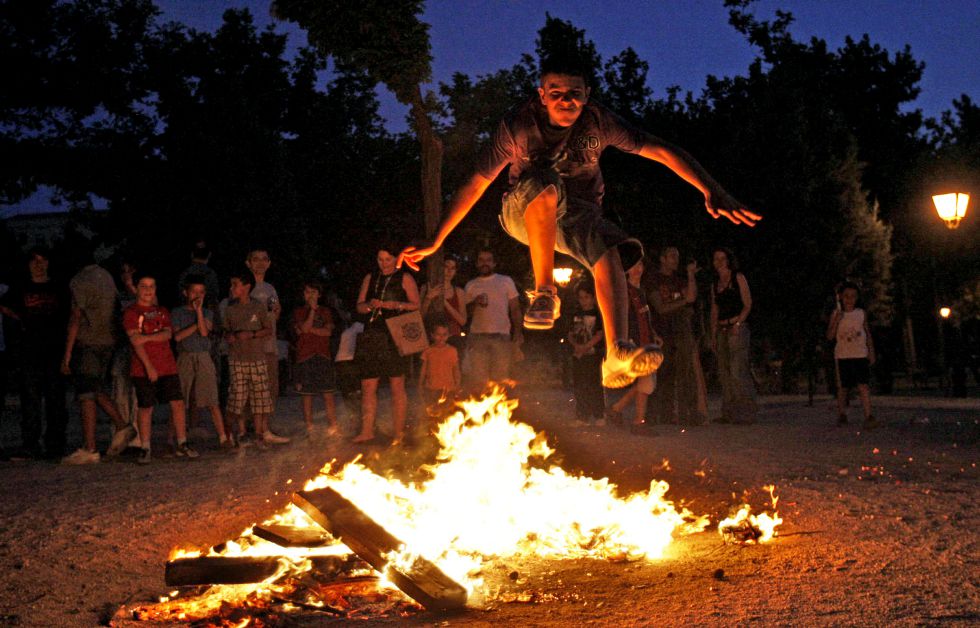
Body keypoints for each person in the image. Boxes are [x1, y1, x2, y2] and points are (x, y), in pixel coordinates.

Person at [398, 54, 760, 390]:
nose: (566, 102)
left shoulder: (600, 122)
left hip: (578, 215)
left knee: (610, 251)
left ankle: (617, 352)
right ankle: (543, 293)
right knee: (546, 185)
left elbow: (661, 150)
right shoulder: (518, 125)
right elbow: (475, 184)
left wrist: (709, 189)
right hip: (523, 212)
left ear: (587, 94)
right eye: (556, 94)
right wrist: (437, 239)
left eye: (574, 94)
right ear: (542, 94)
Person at [60, 251, 133, 464]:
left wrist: (67, 354)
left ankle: (91, 446)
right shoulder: (106, 276)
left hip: (88, 342)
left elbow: (76, 316)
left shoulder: (79, 281)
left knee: (86, 393)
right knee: (95, 387)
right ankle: (122, 426)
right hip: (108, 341)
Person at [0, 247, 69, 459]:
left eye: (43, 260)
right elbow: (4, 306)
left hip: (54, 351)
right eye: (34, 261)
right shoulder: (21, 288)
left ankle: (55, 444)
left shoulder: (58, 286)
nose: (39, 265)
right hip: (29, 352)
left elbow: (70, 314)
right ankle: (31, 444)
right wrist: (20, 321)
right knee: (30, 400)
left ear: (48, 263)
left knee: (55, 400)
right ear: (29, 264)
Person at [123, 272, 198, 463]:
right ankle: (145, 447)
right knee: (146, 406)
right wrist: (148, 366)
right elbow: (135, 341)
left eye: (151, 286)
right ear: (137, 289)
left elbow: (166, 334)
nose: (148, 290)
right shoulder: (132, 312)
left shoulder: (162, 311)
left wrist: (146, 337)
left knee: (177, 403)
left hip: (167, 365)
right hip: (143, 367)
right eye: (144, 286)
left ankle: (182, 443)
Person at [352, 246, 420, 445]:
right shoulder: (370, 278)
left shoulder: (405, 277)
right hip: (373, 334)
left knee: (396, 383)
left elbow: (416, 304)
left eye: (388, 259)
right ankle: (367, 431)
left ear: (396, 259)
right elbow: (359, 306)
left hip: (395, 335)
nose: (384, 263)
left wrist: (395, 305)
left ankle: (398, 433)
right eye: (380, 259)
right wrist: (369, 306)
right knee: (368, 384)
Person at [223, 270, 289, 446]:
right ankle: (238, 432)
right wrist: (230, 336)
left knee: (260, 397)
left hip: (258, 355)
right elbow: (225, 330)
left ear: (246, 287)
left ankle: (260, 433)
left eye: (235, 284)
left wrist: (251, 333)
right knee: (238, 397)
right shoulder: (229, 307)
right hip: (237, 358)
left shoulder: (262, 300)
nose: (232, 288)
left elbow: (270, 325)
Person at [649, 247, 708, 425]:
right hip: (662, 330)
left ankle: (687, 413)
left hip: (680, 329)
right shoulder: (654, 279)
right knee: (663, 372)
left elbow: (692, 296)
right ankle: (662, 413)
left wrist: (690, 275)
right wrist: (683, 302)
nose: (676, 259)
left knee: (685, 371)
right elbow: (660, 307)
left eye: (677, 256)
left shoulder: (679, 280)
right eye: (672, 256)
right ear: (663, 259)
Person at [172, 275, 230, 447]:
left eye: (201, 292)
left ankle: (223, 438)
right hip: (185, 356)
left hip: (204, 356)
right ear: (186, 293)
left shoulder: (207, 313)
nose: (197, 295)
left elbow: (205, 333)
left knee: (212, 399)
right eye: (194, 292)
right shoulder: (177, 312)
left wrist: (198, 312)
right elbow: (178, 336)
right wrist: (196, 325)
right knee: (179, 400)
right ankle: (173, 439)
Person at [605, 259, 662, 434]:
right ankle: (638, 422)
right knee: (645, 382)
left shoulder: (640, 291)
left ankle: (616, 409)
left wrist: (654, 335)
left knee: (645, 383)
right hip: (635, 344)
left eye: (640, 265)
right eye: (633, 265)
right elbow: (623, 318)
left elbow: (644, 318)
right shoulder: (625, 292)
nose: (637, 269)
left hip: (646, 342)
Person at [462, 249, 523, 391]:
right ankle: (480, 410)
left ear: (494, 263)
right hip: (477, 336)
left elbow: (515, 309)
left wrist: (517, 333)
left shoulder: (505, 281)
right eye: (481, 260)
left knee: (500, 379)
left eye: (488, 260)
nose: (485, 263)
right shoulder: (471, 285)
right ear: (477, 263)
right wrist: (474, 302)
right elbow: (465, 314)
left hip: (501, 336)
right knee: (478, 379)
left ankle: (499, 409)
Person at [710, 247, 757, 424]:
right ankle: (729, 412)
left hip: (737, 327)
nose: (719, 262)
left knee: (738, 371)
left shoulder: (738, 278)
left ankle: (746, 412)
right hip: (722, 328)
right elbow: (714, 310)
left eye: (722, 258)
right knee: (724, 372)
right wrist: (713, 333)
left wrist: (738, 323)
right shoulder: (715, 284)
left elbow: (748, 303)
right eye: (716, 259)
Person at [292, 280, 340, 440]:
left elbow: (327, 332)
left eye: (313, 292)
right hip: (305, 356)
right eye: (307, 292)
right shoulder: (299, 311)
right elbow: (303, 328)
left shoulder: (326, 311)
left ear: (319, 294)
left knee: (328, 393)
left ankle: (333, 426)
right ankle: (310, 427)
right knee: (307, 394)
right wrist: (312, 312)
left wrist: (309, 330)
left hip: (323, 355)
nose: (310, 295)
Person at [827, 281, 877, 428]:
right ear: (841, 297)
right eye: (846, 296)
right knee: (843, 387)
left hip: (860, 354)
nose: (849, 299)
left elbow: (867, 333)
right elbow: (830, 335)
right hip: (843, 355)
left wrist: (871, 351)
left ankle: (868, 415)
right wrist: (836, 320)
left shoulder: (860, 314)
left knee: (863, 385)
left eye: (853, 296)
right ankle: (842, 413)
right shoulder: (836, 314)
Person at [245, 249, 283, 403]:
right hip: (250, 345)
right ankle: (248, 423)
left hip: (269, 345)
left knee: (270, 385)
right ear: (248, 263)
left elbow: (275, 314)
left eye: (264, 259)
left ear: (268, 263)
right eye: (256, 259)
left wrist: (276, 311)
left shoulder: (270, 289)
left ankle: (265, 424)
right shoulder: (243, 287)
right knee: (249, 386)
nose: (260, 262)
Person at [568, 280, 604, 426]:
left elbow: (600, 334)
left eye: (587, 297)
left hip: (593, 354)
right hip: (578, 355)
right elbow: (570, 333)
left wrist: (586, 346)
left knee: (594, 384)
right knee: (579, 385)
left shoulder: (598, 313)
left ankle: (599, 414)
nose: (584, 301)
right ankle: (582, 415)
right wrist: (576, 345)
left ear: (593, 297)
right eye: (581, 297)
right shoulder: (575, 313)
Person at [419, 254, 467, 352]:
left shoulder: (459, 292)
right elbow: (419, 317)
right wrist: (428, 298)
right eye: (446, 267)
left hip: (453, 338)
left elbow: (462, 321)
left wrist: (444, 301)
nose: (449, 271)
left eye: (452, 268)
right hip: (432, 337)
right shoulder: (426, 288)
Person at [418, 321, 461, 427]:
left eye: (444, 335)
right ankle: (431, 436)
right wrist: (420, 384)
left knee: (446, 414)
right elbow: (423, 369)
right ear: (432, 335)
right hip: (431, 388)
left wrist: (457, 384)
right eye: (438, 335)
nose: (441, 338)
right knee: (432, 413)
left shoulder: (452, 351)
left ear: (448, 335)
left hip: (448, 389)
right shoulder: (428, 351)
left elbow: (456, 369)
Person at [177, 241, 221, 311]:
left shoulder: (185, 273)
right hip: (205, 316)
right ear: (209, 255)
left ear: (192, 254)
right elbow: (213, 299)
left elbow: (180, 298)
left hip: (187, 315)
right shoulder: (211, 274)